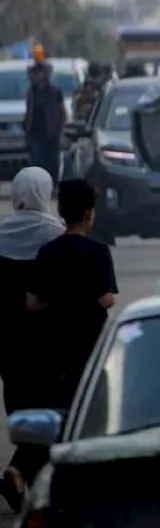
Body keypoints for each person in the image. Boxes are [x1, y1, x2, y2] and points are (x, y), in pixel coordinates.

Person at [0, 167, 64, 508]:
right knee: (50, 410)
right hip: (47, 338)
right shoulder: (57, 235)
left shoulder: (0, 236)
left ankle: (22, 477)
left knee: (19, 406)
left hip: (7, 338)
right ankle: (21, 472)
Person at [28, 179, 117, 408]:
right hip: (90, 341)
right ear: (89, 214)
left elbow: (33, 302)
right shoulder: (98, 251)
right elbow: (106, 300)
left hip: (56, 342)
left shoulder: (47, 252)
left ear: (60, 211)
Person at [23, 61, 66, 179]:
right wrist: (27, 129)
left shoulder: (55, 92)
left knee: (51, 162)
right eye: (34, 73)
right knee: (36, 162)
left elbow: (62, 113)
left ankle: (52, 185)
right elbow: (28, 112)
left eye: (38, 73)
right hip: (35, 133)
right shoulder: (31, 92)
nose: (36, 76)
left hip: (51, 133)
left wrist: (60, 131)